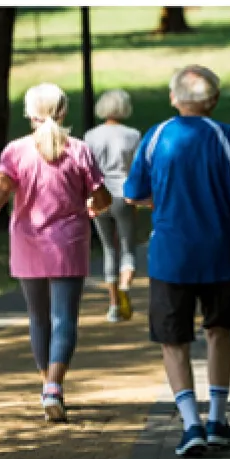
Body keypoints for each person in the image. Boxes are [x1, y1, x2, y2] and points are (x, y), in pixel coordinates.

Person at [123, 65, 230, 457]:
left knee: (174, 340)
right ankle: (218, 419)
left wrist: (164, 200)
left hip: (170, 256)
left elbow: (134, 194)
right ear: (213, 100)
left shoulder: (156, 137)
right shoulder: (229, 135)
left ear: (174, 98)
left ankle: (191, 426)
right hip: (220, 250)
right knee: (219, 329)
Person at [0, 83, 112, 424]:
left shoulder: (15, 151)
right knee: (65, 318)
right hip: (69, 243)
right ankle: (53, 387)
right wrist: (92, 210)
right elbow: (102, 197)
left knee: (38, 318)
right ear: (64, 111)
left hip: (28, 242)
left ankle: (46, 386)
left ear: (29, 114)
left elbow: (0, 190)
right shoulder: (79, 150)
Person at [84, 89, 142, 322]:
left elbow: (86, 168)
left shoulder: (91, 135)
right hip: (124, 193)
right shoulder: (133, 135)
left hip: (100, 194)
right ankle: (126, 286)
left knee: (109, 248)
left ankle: (113, 304)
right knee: (128, 246)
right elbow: (138, 168)